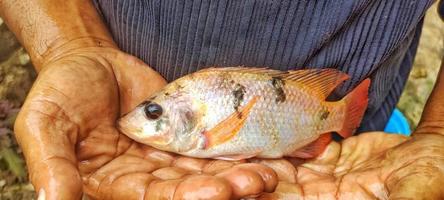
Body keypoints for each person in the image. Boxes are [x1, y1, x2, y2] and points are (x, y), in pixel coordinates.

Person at [1, 0, 443, 199]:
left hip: (350, 153)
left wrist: (438, 131)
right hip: (124, 153)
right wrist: (73, 45)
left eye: (154, 112)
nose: (142, 119)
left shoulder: (201, 115)